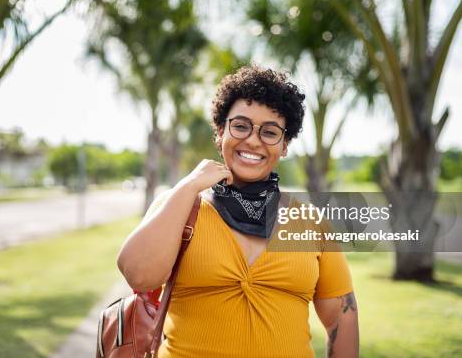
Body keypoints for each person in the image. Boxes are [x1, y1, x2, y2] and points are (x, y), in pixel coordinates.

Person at [117, 66, 359, 357]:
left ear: (284, 145)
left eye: (270, 132)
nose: (254, 141)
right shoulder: (183, 205)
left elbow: (341, 317)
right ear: (220, 133)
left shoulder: (309, 223)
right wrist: (189, 185)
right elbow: (138, 275)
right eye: (241, 126)